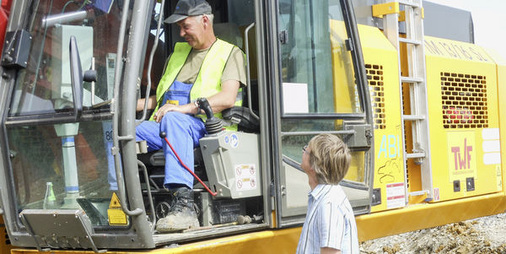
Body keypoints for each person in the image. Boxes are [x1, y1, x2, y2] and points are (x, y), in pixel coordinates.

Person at [135, 0, 246, 233]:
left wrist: (182, 109)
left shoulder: (230, 53)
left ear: (205, 21)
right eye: (179, 28)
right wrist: (125, 107)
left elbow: (226, 98)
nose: (181, 33)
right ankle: (125, 201)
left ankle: (184, 205)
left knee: (174, 120)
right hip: (168, 123)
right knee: (121, 129)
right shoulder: (177, 54)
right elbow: (161, 99)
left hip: (207, 127)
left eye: (186, 26)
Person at [297, 134, 359, 254]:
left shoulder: (329, 204)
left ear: (315, 165)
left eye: (306, 150)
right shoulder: (324, 198)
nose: (303, 151)